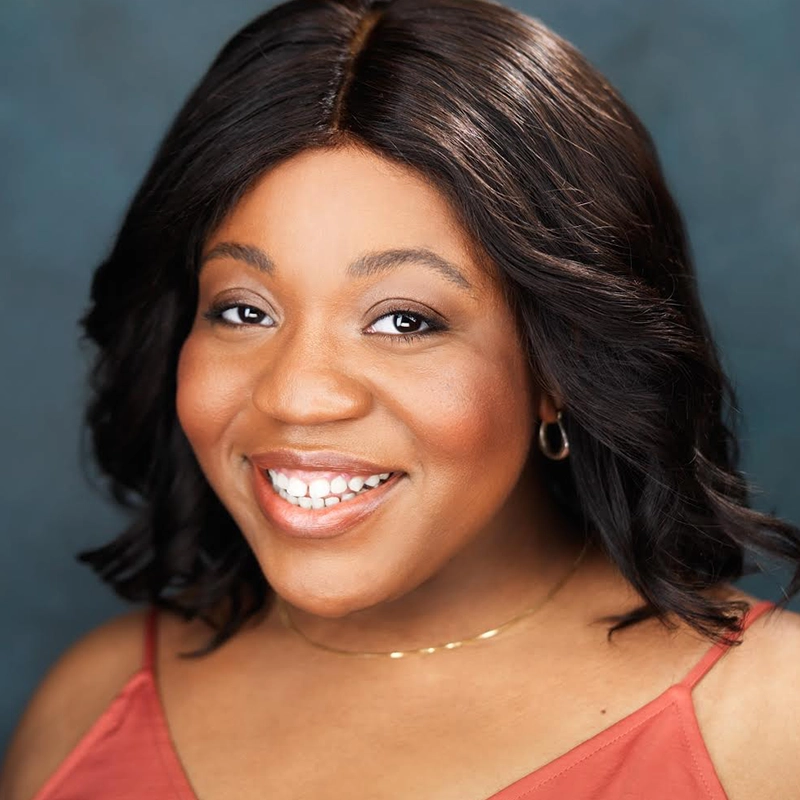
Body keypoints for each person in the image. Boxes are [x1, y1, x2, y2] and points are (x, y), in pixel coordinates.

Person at [3, 0, 800, 797]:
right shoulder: (91, 703)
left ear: (561, 365)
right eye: (244, 310)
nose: (298, 396)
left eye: (403, 320)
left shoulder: (769, 716)